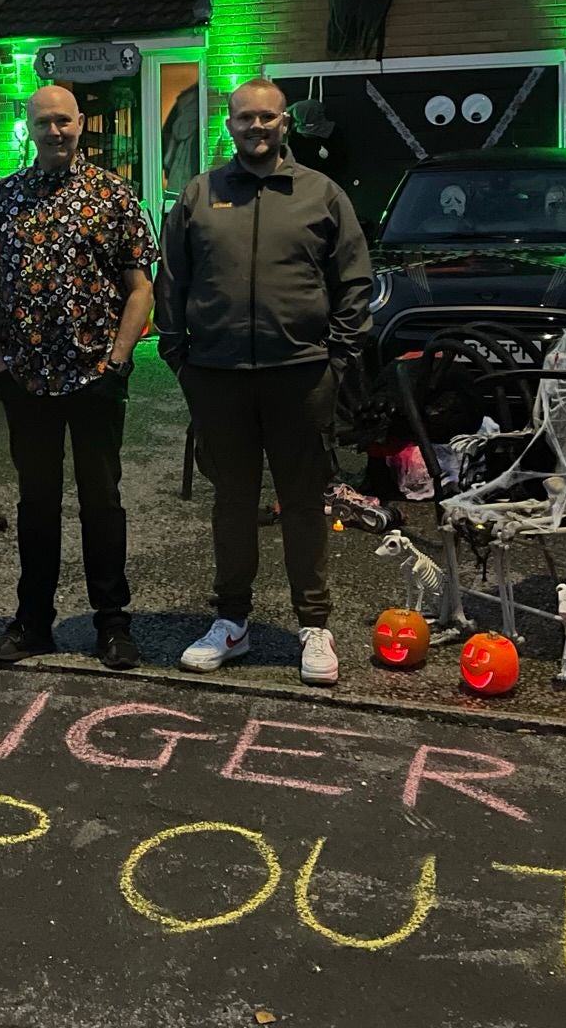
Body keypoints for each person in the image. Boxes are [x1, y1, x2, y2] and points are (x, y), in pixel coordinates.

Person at [156, 77, 373, 686]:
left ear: (284, 124)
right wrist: (181, 359)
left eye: (268, 118)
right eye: (245, 118)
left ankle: (314, 625)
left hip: (301, 376)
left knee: (304, 502)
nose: (257, 127)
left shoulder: (321, 195)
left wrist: (338, 361)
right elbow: (171, 280)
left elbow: (354, 282)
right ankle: (231, 621)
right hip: (219, 378)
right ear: (228, 125)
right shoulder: (201, 195)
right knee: (232, 502)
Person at [0, 85, 154, 670]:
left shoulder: (113, 196)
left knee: (103, 502)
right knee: (36, 503)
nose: (55, 132)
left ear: (80, 126)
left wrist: (118, 362)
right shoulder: (2, 201)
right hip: (26, 381)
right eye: (44, 122)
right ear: (28, 127)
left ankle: (113, 624)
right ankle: (34, 622)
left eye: (64, 122)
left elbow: (141, 287)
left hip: (95, 378)